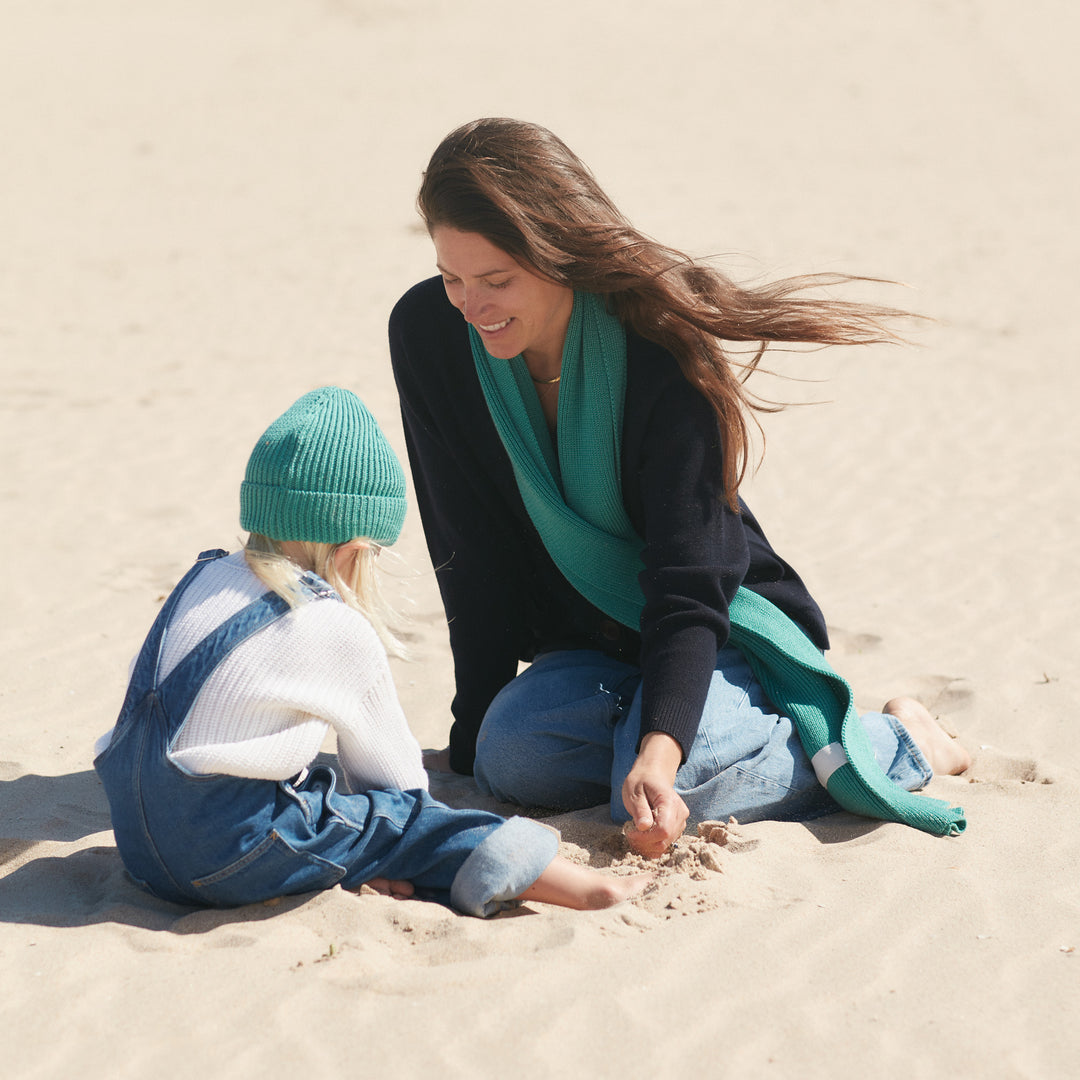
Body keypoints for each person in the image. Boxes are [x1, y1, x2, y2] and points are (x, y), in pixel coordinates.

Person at [389, 117, 971, 860]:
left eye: (497, 280)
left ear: (561, 255)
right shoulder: (429, 335)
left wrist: (658, 752)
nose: (470, 304)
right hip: (590, 647)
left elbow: (690, 581)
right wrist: (470, 744)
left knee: (686, 788)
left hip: (716, 628)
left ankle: (901, 742)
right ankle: (676, 738)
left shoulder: (660, 349)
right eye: (452, 277)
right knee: (512, 760)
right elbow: (468, 550)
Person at [93, 386, 651, 916]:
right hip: (225, 850)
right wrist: (392, 841)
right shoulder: (330, 623)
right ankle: (589, 889)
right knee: (402, 824)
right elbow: (395, 781)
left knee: (328, 810)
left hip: (139, 844)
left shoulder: (202, 579)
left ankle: (336, 865)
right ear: (355, 548)